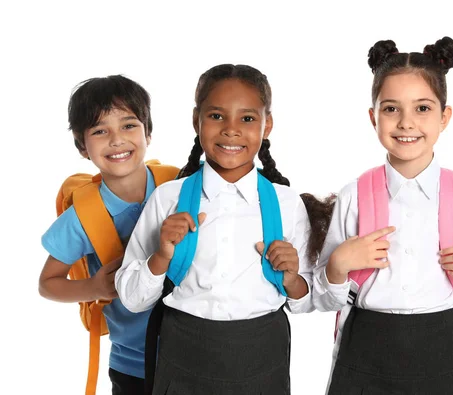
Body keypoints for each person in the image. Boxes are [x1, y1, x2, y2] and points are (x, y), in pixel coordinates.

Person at [312, 37, 453, 395]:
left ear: (444, 117)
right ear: (374, 117)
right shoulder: (353, 195)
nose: (406, 123)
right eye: (391, 109)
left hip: (445, 347)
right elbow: (324, 294)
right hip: (365, 347)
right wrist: (338, 266)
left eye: (422, 108)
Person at [115, 64, 331, 395]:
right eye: (216, 116)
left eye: (247, 118)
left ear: (267, 124)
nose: (231, 130)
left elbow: (305, 300)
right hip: (183, 352)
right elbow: (132, 299)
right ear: (196, 120)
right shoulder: (168, 198)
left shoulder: (286, 204)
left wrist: (291, 277)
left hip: (262, 354)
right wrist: (161, 256)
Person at [39, 75, 176, 395]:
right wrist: (94, 286)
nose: (116, 139)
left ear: (148, 132)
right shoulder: (82, 219)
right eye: (100, 130)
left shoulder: (178, 184)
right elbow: (47, 284)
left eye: (128, 125)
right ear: (82, 146)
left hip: (197, 352)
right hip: (133, 363)